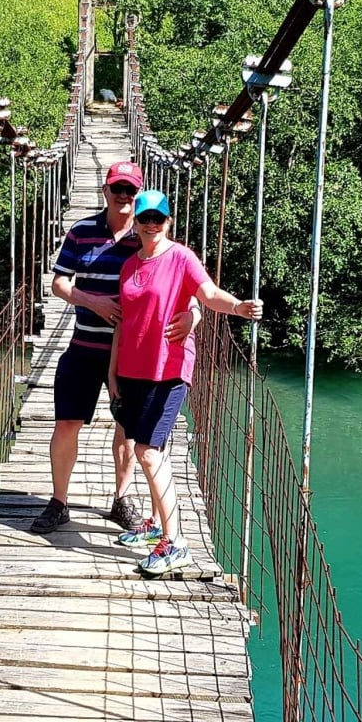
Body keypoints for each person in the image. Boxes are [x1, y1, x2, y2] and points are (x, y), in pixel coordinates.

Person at [29, 163, 201, 535]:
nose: (123, 195)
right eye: (117, 188)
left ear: (138, 196)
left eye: (130, 190)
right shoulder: (81, 232)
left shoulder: (149, 234)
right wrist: (94, 302)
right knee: (66, 422)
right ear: (105, 191)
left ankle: (121, 499)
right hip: (84, 346)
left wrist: (194, 315)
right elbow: (59, 283)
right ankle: (58, 502)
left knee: (126, 429)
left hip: (135, 355)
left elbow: (186, 282)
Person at [108, 188, 262, 576]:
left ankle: (175, 543)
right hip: (132, 370)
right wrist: (112, 371)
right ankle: (157, 525)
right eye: (145, 218)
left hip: (169, 369)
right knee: (146, 449)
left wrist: (238, 308)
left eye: (158, 218)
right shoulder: (129, 266)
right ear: (136, 223)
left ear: (168, 221)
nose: (151, 224)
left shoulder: (180, 257)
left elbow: (207, 294)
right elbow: (124, 321)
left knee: (147, 451)